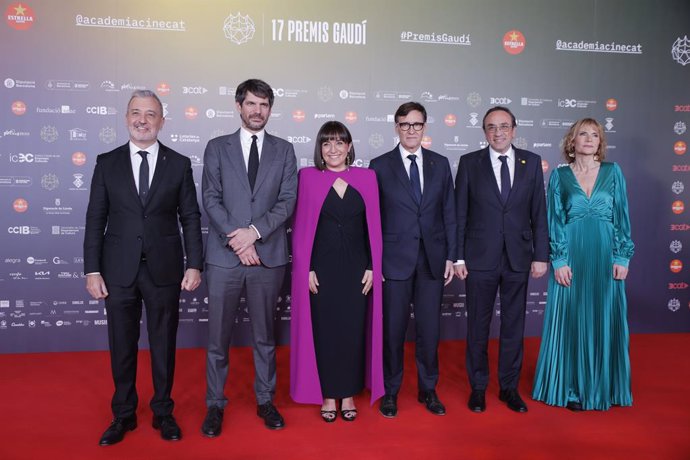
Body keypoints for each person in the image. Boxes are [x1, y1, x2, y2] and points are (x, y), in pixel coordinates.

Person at [84, 90, 203, 446]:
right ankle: (123, 415)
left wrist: (194, 264)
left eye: (150, 114)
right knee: (122, 345)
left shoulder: (179, 164)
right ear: (126, 118)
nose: (142, 120)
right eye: (136, 113)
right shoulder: (107, 162)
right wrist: (92, 269)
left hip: (164, 271)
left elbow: (191, 218)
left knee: (163, 344)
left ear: (162, 121)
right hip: (117, 270)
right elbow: (95, 219)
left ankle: (163, 412)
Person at [201, 78, 297, 436]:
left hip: (268, 256)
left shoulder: (284, 150)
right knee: (218, 339)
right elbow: (210, 198)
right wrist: (240, 240)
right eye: (252, 104)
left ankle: (265, 400)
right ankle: (214, 404)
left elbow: (287, 201)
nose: (258, 111)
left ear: (270, 109)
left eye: (264, 105)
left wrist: (254, 233)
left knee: (264, 336)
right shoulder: (217, 147)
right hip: (225, 258)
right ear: (239, 106)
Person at [532, 118, 634, 411]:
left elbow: (622, 217)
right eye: (583, 134)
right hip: (571, 256)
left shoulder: (613, 172)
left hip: (604, 256)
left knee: (604, 317)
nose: (589, 139)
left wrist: (622, 256)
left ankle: (604, 386)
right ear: (572, 141)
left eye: (595, 135)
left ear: (600, 142)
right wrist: (559, 259)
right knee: (572, 318)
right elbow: (554, 221)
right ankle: (572, 389)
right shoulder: (559, 176)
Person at [455, 106, 548, 414]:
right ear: (484, 132)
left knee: (513, 326)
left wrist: (541, 256)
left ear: (514, 129)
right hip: (479, 257)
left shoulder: (531, 163)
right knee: (478, 327)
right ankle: (478, 387)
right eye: (491, 127)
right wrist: (457, 257)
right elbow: (459, 215)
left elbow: (539, 212)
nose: (498, 132)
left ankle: (509, 387)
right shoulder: (469, 163)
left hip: (518, 258)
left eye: (504, 126)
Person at [290, 121, 384, 422]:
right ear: (319, 148)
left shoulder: (367, 178)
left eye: (339, 142)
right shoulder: (307, 177)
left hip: (358, 271)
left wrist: (372, 266)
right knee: (325, 331)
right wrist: (306, 268)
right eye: (327, 143)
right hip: (322, 270)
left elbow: (374, 228)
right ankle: (328, 394)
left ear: (349, 147)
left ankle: (348, 393)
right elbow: (301, 229)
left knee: (353, 331)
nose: (333, 149)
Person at [369, 102, 456, 418]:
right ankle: (390, 391)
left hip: (432, 261)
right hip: (394, 261)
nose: (410, 130)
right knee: (392, 330)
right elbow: (372, 219)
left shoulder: (440, 164)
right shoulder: (379, 166)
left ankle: (428, 389)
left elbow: (449, 213)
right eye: (405, 125)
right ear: (396, 128)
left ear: (425, 127)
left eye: (416, 125)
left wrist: (450, 255)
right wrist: (374, 262)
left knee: (430, 330)